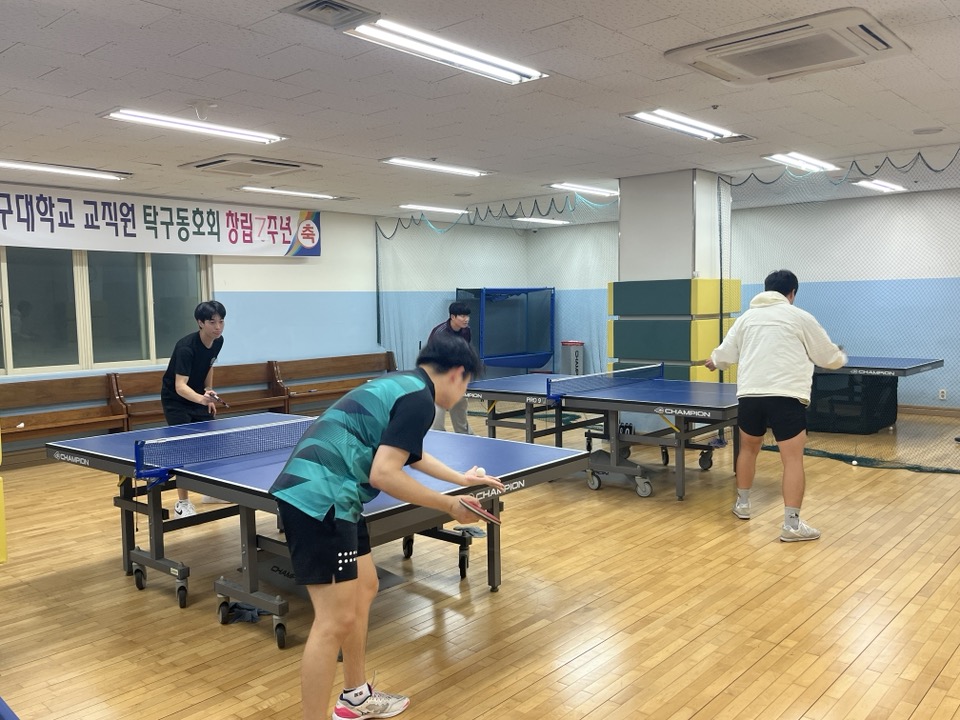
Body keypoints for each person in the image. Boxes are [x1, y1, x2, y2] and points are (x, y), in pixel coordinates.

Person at [269, 333, 504, 720]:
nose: (464, 392)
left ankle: (356, 696)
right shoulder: (419, 400)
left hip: (336, 496)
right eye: (467, 384)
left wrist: (460, 479)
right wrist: (449, 505)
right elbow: (384, 474)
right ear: (457, 374)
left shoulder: (405, 385)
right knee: (333, 621)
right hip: (322, 498)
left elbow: (409, 454)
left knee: (365, 587)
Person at [704, 270, 846, 542]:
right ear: (792, 293)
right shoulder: (800, 316)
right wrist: (840, 356)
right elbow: (827, 357)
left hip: (750, 396)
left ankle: (743, 505)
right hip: (786, 396)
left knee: (748, 449)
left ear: (766, 289)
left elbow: (725, 353)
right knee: (791, 459)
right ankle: (791, 526)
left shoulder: (746, 319)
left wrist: (715, 361)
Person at [160, 300, 227, 518]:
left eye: (221, 321)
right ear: (200, 322)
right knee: (184, 449)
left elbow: (209, 366)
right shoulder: (186, 347)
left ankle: (211, 492)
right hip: (176, 401)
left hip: (197, 395)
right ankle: (182, 503)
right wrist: (201, 399)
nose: (218, 327)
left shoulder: (218, 341)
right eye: (212, 322)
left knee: (210, 444)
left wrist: (208, 391)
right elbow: (180, 386)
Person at [428, 301, 474, 434]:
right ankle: (438, 437)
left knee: (460, 407)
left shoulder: (466, 331)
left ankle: (465, 436)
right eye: (462, 316)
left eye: (467, 316)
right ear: (453, 317)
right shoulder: (440, 333)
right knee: (438, 410)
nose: (466, 319)